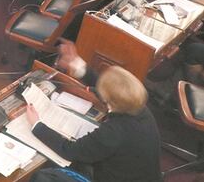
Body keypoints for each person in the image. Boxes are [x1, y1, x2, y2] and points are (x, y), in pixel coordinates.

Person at [27, 50, 160, 182]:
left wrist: (37, 125)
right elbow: (112, 88)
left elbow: (70, 151)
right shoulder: (139, 107)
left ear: (110, 101)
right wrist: (79, 67)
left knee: (42, 177)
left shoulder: (114, 131)